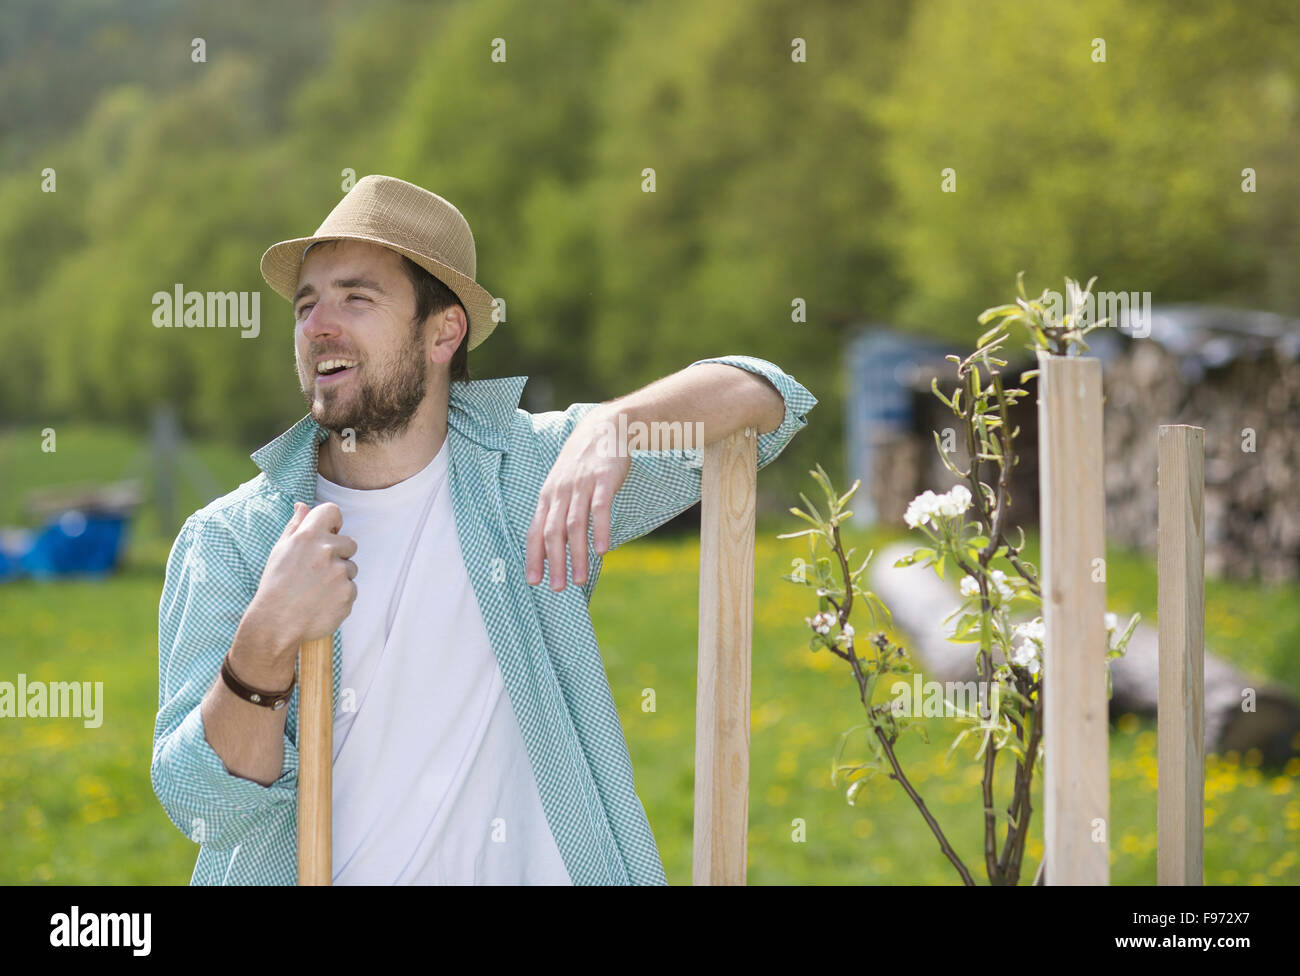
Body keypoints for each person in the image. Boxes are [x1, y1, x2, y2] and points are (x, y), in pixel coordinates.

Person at [150, 174, 817, 885]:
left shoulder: (534, 478)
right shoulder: (234, 540)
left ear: (444, 330)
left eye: (356, 297)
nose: (318, 324)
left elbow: (767, 397)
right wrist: (265, 638)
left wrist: (615, 426)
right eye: (306, 304)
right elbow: (207, 810)